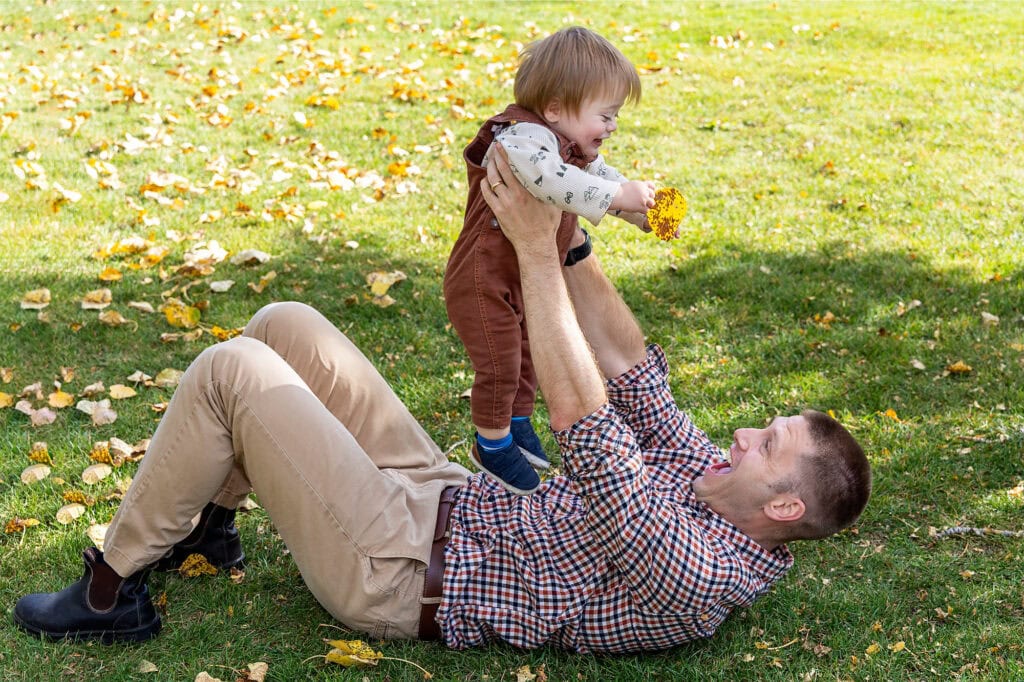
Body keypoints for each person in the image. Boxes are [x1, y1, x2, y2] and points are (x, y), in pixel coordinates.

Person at [13, 147, 871, 653]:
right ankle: (210, 525)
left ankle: (110, 592)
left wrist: (533, 254)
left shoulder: (699, 574)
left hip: (394, 569)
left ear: (786, 503)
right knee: (284, 326)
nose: (748, 432)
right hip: (442, 499)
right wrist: (569, 233)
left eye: (770, 442)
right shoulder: (711, 478)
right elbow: (632, 370)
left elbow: (590, 427)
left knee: (229, 372)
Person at [444, 26, 659, 495]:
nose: (613, 126)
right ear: (557, 107)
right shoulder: (523, 140)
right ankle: (492, 443)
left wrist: (640, 213)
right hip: (481, 280)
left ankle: (517, 422)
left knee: (526, 354)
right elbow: (555, 182)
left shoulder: (569, 149)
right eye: (605, 115)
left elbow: (597, 181)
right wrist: (620, 193)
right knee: (500, 362)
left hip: (514, 276)